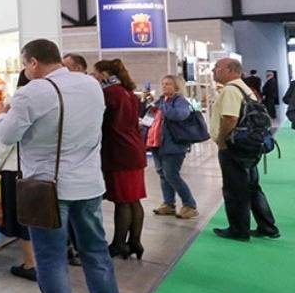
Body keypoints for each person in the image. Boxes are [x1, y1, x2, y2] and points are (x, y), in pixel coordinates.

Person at [0, 39, 125, 293]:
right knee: (96, 254)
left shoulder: (32, 92)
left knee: (51, 261)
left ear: (33, 62)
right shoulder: (91, 85)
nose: (26, 70)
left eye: (25, 64)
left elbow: (8, 135)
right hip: (89, 185)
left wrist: (1, 116)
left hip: (48, 189)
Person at [210, 58, 280, 241]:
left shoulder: (230, 90)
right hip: (250, 144)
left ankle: (238, 230)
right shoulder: (245, 89)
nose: (213, 70)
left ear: (230, 70)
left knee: (235, 189)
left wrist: (222, 140)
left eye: (217, 67)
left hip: (235, 146)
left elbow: (230, 118)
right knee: (252, 187)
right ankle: (268, 227)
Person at [92, 59, 148, 260]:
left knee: (122, 200)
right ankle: (135, 242)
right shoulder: (128, 92)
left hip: (119, 152)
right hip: (134, 150)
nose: (93, 76)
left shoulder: (108, 93)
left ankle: (118, 244)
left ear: (104, 74)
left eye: (95, 73)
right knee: (133, 199)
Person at [0, 69, 36, 281]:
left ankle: (30, 263)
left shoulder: (18, 101)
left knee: (22, 218)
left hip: (15, 169)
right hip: (37, 169)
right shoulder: (48, 99)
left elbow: (7, 139)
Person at [148, 75, 198, 220]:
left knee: (171, 175)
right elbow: (150, 117)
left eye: (168, 84)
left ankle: (190, 205)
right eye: (163, 84)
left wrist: (162, 105)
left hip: (173, 145)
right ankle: (168, 204)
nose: (164, 86)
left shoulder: (180, 101)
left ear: (177, 86)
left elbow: (178, 115)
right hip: (157, 143)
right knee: (163, 175)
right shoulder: (161, 100)